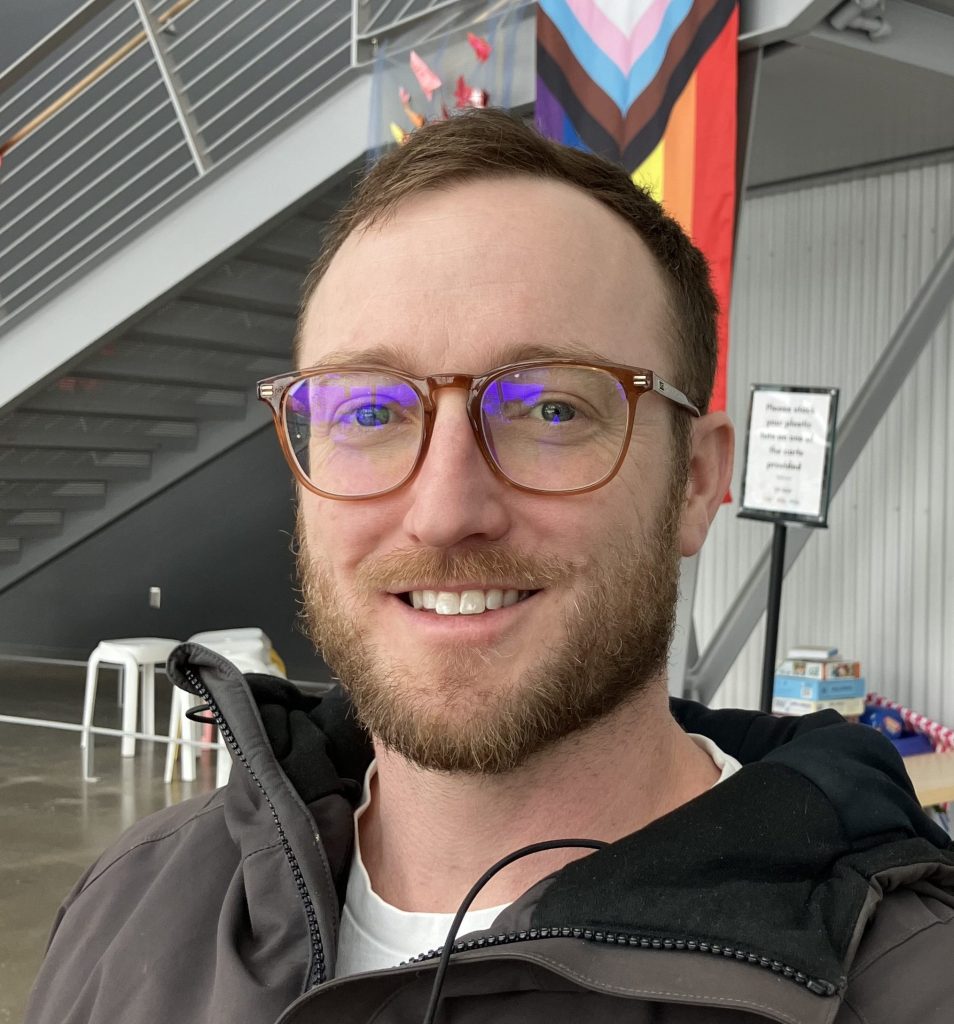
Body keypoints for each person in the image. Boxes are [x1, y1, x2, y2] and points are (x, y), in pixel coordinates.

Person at [26, 109, 954, 1024]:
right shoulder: (133, 905)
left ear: (697, 483)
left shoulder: (911, 986)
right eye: (369, 412)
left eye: (551, 409)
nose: (443, 513)